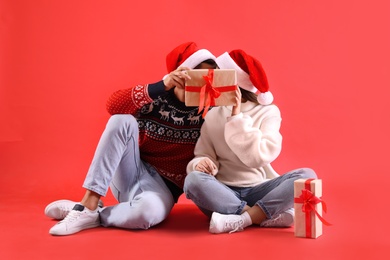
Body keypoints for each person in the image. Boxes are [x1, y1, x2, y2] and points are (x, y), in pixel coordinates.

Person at [44, 42, 218, 236]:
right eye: (198, 75)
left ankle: (90, 213)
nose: (203, 82)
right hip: (132, 170)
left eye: (209, 77)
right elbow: (112, 104)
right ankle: (89, 201)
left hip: (165, 189)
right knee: (121, 120)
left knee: (145, 214)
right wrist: (163, 85)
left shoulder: (213, 110)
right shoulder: (156, 96)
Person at [183, 49, 317, 234]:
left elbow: (257, 158)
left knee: (307, 175)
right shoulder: (213, 114)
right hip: (223, 193)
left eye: (219, 74)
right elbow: (204, 154)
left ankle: (241, 220)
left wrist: (236, 117)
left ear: (234, 81)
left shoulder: (268, 112)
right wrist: (202, 164)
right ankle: (258, 216)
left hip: (259, 189)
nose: (212, 80)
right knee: (193, 180)